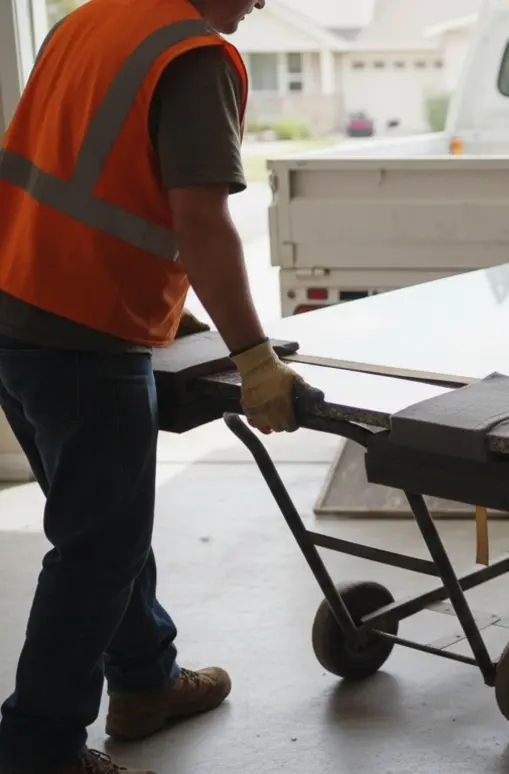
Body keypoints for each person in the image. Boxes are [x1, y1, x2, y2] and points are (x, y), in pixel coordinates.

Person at [0, 0, 313, 771]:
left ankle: (144, 680)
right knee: (99, 547)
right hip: (85, 331)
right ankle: (39, 745)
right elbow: (200, 223)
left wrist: (172, 317)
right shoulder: (191, 56)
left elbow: (94, 177)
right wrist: (252, 357)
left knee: (101, 521)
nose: (264, 1)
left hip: (14, 300)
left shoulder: (90, 20)